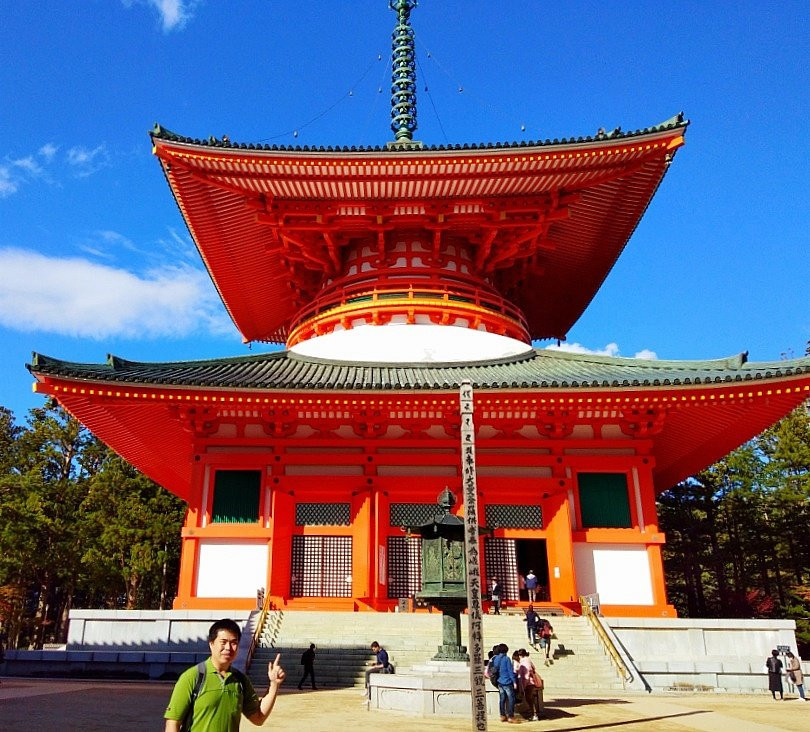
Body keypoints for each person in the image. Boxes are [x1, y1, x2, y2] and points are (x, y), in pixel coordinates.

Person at [164, 618, 285, 731]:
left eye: (233, 643)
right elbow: (173, 722)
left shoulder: (241, 680)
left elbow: (258, 718)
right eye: (223, 642)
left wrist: (274, 685)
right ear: (211, 644)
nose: (228, 648)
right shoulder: (192, 677)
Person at [490, 642, 518, 723]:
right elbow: (510, 671)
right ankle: (511, 716)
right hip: (507, 681)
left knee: (502, 699)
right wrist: (514, 681)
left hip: (499, 681)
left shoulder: (495, 658)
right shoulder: (506, 659)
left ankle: (502, 715)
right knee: (511, 699)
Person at [517, 648, 543, 721]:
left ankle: (534, 714)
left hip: (528, 683)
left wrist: (523, 685)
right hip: (530, 682)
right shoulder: (528, 660)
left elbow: (526, 674)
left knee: (529, 699)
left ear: (520, 655)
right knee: (530, 699)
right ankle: (533, 714)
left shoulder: (524, 662)